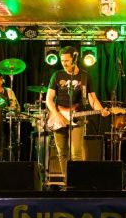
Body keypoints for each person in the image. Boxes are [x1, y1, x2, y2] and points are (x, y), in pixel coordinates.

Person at [45, 45, 108, 182]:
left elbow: (92, 99)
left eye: (67, 60)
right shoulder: (57, 75)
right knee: (62, 152)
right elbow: (49, 99)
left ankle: (78, 182)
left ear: (74, 59)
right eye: (62, 61)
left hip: (78, 117)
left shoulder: (84, 76)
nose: (64, 63)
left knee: (76, 152)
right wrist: (58, 116)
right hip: (58, 117)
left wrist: (101, 109)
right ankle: (67, 181)